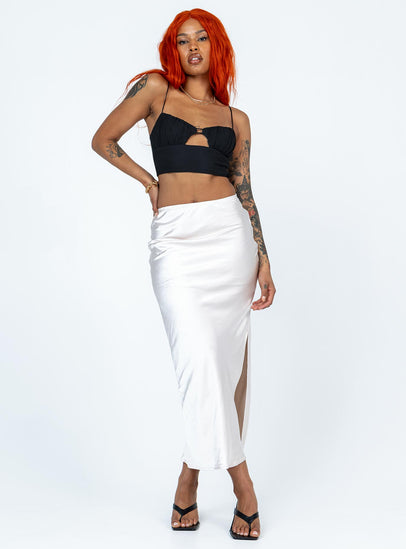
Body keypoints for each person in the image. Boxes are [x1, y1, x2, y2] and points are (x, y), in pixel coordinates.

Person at [91, 8, 276, 540]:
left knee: (225, 367)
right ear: (172, 49)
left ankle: (188, 478)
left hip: (230, 239)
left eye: (202, 39)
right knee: (199, 360)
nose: (192, 47)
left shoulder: (236, 119)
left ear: (217, 48)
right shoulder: (155, 91)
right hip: (175, 241)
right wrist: (149, 183)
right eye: (181, 40)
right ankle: (243, 486)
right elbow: (103, 140)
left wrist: (263, 255)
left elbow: (244, 187)